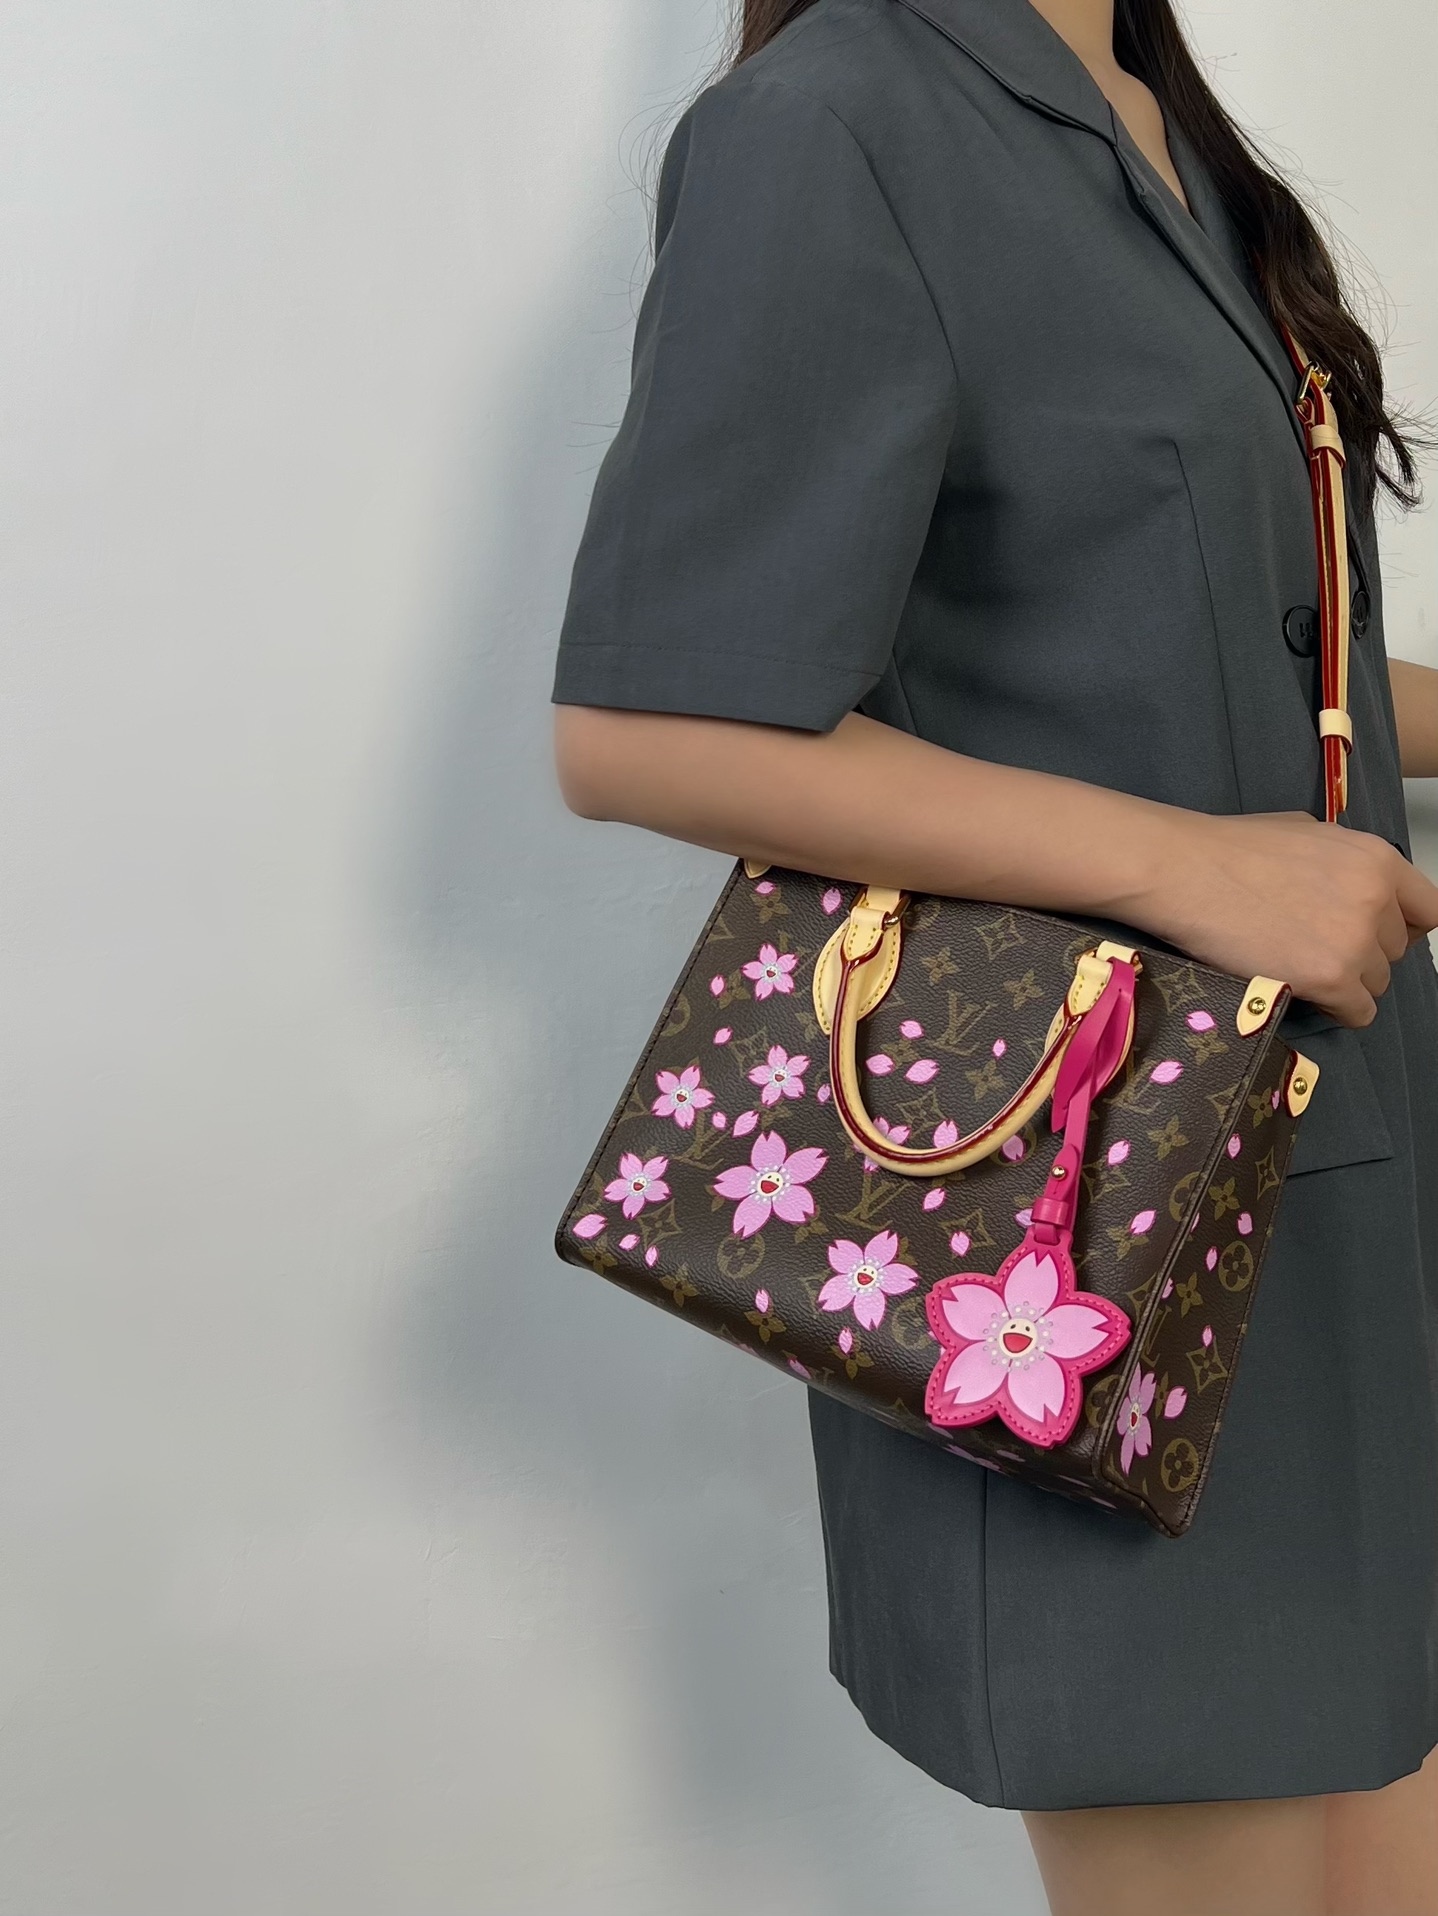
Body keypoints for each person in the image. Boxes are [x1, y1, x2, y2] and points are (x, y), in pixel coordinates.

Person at [550, 1, 1438, 1909]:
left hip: (1348, 1191)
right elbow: (651, 724)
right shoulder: (832, 125)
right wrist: (1193, 868)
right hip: (1076, 1217)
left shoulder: (1151, 116)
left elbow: (1205, 632)